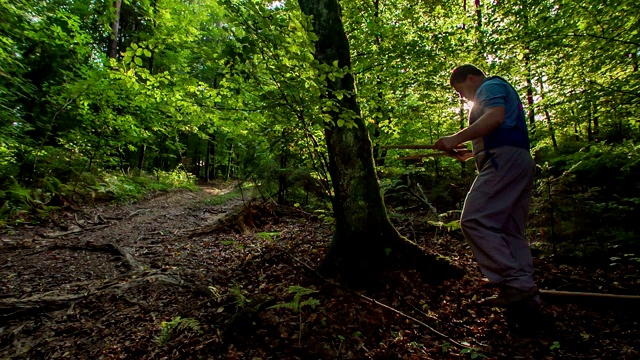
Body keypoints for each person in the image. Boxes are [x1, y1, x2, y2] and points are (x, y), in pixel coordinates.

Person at [434, 64, 540, 309]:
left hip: (503, 161)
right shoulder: (500, 88)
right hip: (516, 159)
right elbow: (503, 131)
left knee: (474, 219)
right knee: (509, 229)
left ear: (471, 78)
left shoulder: (489, 86)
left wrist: (455, 138)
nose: (464, 98)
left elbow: (495, 117)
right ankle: (523, 289)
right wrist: (470, 154)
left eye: (462, 92)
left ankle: (512, 279)